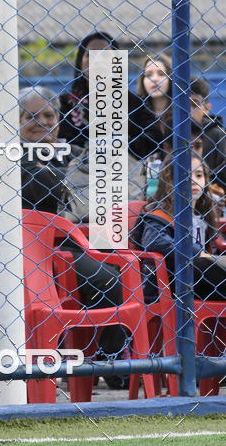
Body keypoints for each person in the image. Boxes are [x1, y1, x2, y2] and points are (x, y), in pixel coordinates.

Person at [18, 87, 123, 313]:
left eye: (49, 115)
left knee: (139, 272)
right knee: (109, 281)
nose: (42, 122)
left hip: (90, 237)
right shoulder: (12, 155)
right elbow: (51, 187)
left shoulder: (73, 152)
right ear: (18, 121)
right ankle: (106, 349)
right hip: (44, 246)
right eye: (31, 116)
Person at [134, 153, 226, 302]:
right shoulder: (159, 214)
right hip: (172, 283)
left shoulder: (201, 215)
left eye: (199, 175)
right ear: (169, 181)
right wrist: (198, 254)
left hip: (201, 280)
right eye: (185, 175)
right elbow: (155, 242)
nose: (193, 181)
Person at [58, 31, 155, 160]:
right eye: (90, 54)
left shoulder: (136, 103)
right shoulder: (65, 104)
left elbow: (152, 137)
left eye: (104, 54)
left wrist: (119, 150)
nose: (97, 59)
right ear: (81, 63)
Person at [190, 76, 226, 192]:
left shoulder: (218, 135)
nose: (188, 110)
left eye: (194, 105)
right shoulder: (169, 133)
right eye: (182, 105)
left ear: (206, 108)